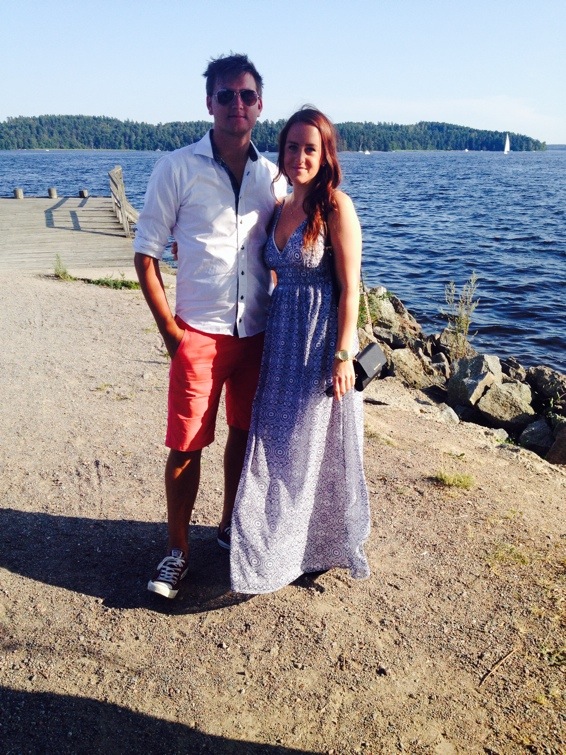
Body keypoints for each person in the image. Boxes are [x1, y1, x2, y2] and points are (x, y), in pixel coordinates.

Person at [133, 53, 287, 599]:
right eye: (226, 95)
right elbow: (146, 254)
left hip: (256, 335)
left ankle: (228, 528)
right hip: (197, 332)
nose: (236, 104)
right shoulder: (176, 168)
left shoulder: (274, 177)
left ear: (260, 105)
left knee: (244, 435)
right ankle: (176, 551)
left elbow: (286, 247)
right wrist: (171, 334)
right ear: (209, 103)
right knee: (186, 445)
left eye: (247, 95)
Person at [230, 107, 371, 594]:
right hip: (281, 338)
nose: (300, 157)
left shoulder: (336, 207)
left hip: (319, 340)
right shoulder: (280, 205)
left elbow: (350, 288)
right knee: (275, 442)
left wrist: (343, 355)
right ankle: (269, 543)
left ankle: (314, 546)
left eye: (311, 148)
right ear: (283, 151)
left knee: (314, 447)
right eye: (293, 147)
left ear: (325, 154)